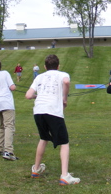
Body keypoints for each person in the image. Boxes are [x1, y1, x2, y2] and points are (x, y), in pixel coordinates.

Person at [25, 54, 80, 185]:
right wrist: (64, 99)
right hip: (53, 111)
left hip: (38, 111)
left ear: (45, 67)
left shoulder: (39, 76)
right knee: (64, 142)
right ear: (58, 66)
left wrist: (36, 96)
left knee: (43, 138)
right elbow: (66, 82)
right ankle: (64, 176)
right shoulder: (62, 74)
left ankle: (36, 169)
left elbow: (28, 95)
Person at [0, 59, 18, 161]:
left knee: (1, 126)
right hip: (6, 103)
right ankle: (8, 151)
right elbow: (12, 87)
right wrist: (13, 86)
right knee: (9, 126)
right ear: (0, 66)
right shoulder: (5, 73)